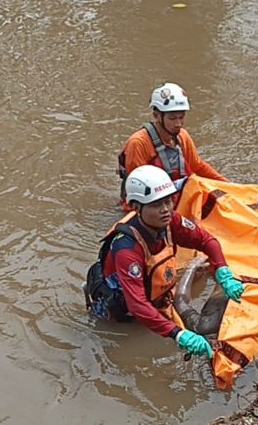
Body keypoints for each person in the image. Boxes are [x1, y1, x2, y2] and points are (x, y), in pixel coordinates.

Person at [84, 165, 245, 358]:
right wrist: (179, 335)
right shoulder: (127, 249)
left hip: (156, 296)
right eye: (156, 205)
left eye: (168, 201)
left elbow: (207, 241)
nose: (165, 210)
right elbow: (137, 305)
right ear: (136, 207)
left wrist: (223, 272)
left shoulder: (171, 222)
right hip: (125, 312)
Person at [117, 82, 228, 210]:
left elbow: (197, 167)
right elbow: (138, 189)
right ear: (157, 116)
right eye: (172, 118)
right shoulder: (138, 143)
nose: (178, 124)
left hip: (174, 199)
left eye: (181, 117)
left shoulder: (183, 136)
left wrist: (228, 186)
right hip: (149, 206)